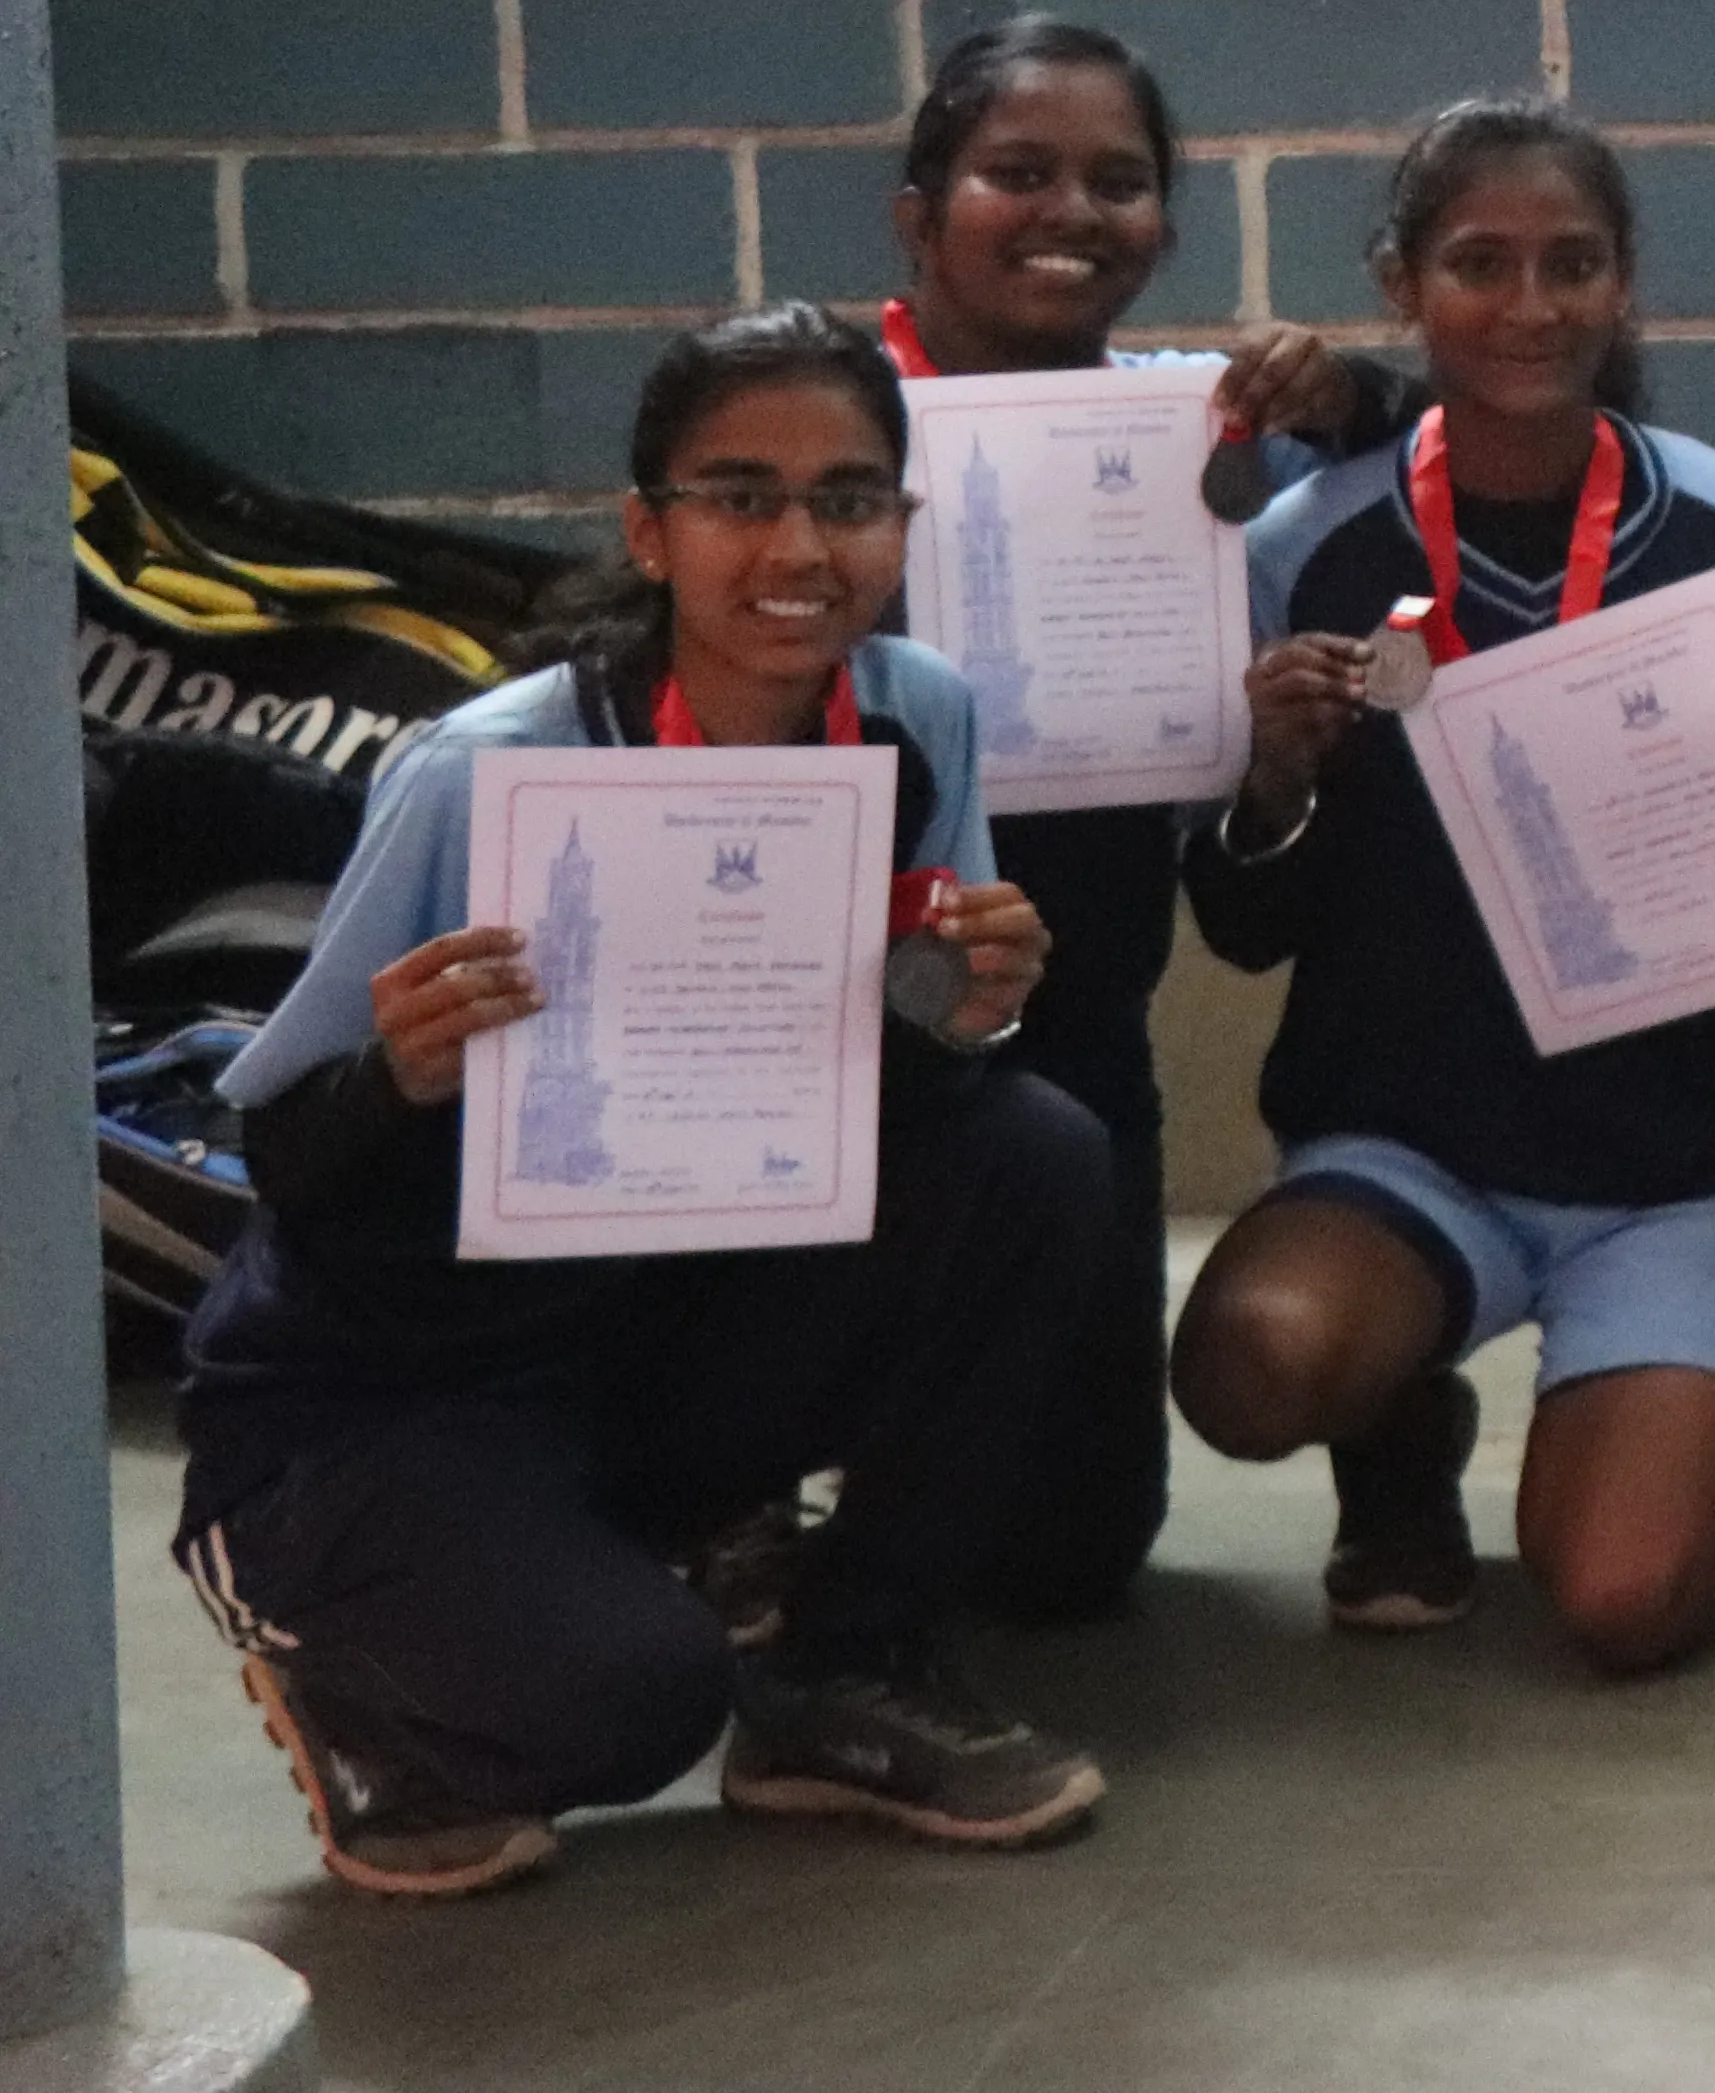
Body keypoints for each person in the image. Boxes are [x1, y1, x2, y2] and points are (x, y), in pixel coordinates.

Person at [168, 308, 1110, 1896]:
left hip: (657, 1327)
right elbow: (282, 1149)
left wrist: (966, 1006)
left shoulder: (914, 711)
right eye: (740, 498)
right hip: (403, 1380)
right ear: (648, 532)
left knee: (1034, 1151)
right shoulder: (483, 775)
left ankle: (841, 1671)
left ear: (903, 525)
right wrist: (398, 1075)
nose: (799, 545)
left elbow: (903, 1064)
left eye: (852, 499)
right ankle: (328, 1631)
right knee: (629, 1702)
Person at [1171, 103, 1715, 1675]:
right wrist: (1274, 778)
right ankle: (1399, 1417)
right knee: (1250, 1372)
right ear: (1400, 282)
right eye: (1480, 264)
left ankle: (1661, 1380)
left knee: (1625, 1604)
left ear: (1626, 288)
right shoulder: (1305, 546)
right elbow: (1243, 922)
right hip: (1413, 1143)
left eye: (1573, 265)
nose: (1531, 307)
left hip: (1682, 1155)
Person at [870, 14, 1412, 1622]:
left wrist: (1344, 379)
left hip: (1081, 1037)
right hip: (830, 1043)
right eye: (1015, 174)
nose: (1070, 212)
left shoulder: (1186, 439)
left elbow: (1398, 422)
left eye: (1117, 181)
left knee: (1070, 1562)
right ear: (921, 213)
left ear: (1165, 224)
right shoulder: (824, 421)